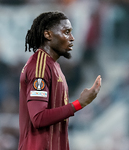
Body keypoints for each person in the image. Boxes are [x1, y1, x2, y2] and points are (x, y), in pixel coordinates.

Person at [18, 11, 102, 150]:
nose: (72, 38)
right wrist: (79, 103)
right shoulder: (40, 66)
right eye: (66, 32)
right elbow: (38, 118)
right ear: (48, 34)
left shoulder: (53, 66)